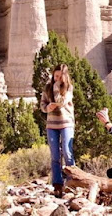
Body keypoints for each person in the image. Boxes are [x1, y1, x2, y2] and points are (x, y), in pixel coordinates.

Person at [40, 64, 75, 197]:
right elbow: (42, 103)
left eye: (60, 77)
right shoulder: (47, 87)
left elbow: (61, 101)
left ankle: (72, 181)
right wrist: (46, 108)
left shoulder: (69, 88)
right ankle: (57, 184)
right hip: (52, 124)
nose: (57, 79)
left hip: (66, 123)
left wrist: (56, 88)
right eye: (56, 76)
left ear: (65, 77)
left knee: (67, 151)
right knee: (55, 155)